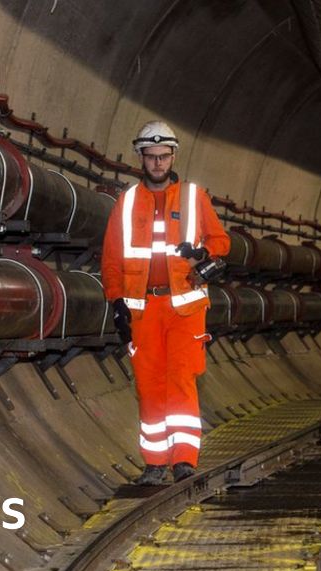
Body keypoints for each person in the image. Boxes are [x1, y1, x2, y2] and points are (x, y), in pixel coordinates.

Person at [101, 121, 230, 485]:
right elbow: (111, 260)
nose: (157, 163)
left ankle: (184, 460)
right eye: (151, 157)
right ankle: (155, 462)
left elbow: (222, 242)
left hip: (185, 307)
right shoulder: (126, 203)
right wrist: (116, 303)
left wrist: (205, 251)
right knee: (149, 384)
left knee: (181, 380)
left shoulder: (193, 197)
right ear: (140, 158)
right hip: (142, 308)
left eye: (163, 156)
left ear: (173, 156)